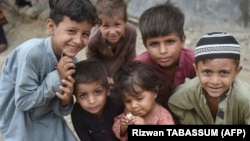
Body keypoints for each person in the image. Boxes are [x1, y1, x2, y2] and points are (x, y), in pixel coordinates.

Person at [0, 0, 98, 140]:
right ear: (51, 26)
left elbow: (60, 110)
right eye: (71, 31)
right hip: (19, 123)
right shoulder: (31, 53)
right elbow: (23, 102)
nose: (78, 40)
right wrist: (57, 77)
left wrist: (65, 100)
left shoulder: (71, 63)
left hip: (48, 119)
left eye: (85, 34)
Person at [168, 32, 250, 124]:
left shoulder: (246, 98)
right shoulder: (190, 90)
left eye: (224, 72)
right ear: (197, 70)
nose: (214, 81)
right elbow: (174, 104)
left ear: (236, 72)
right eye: (207, 72)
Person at [135, 1, 196, 123]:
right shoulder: (140, 66)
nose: (162, 51)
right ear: (145, 45)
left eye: (169, 42)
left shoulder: (195, 62)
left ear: (182, 40)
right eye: (154, 44)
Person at [112, 61, 175, 141]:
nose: (133, 105)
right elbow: (118, 130)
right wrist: (123, 128)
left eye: (139, 98)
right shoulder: (130, 112)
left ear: (155, 92)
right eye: (128, 101)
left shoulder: (164, 118)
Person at [86, 0, 137, 86]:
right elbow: (91, 58)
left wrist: (128, 76)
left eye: (117, 25)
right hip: (102, 70)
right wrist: (101, 75)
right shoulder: (94, 39)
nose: (112, 32)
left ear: (125, 21)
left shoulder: (131, 32)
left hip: (122, 69)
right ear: (98, 25)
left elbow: (131, 56)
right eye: (106, 26)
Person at [71, 59, 124, 141]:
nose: (92, 101)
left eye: (97, 92)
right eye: (83, 95)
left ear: (107, 90)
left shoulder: (117, 103)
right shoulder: (77, 114)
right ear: (76, 97)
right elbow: (85, 138)